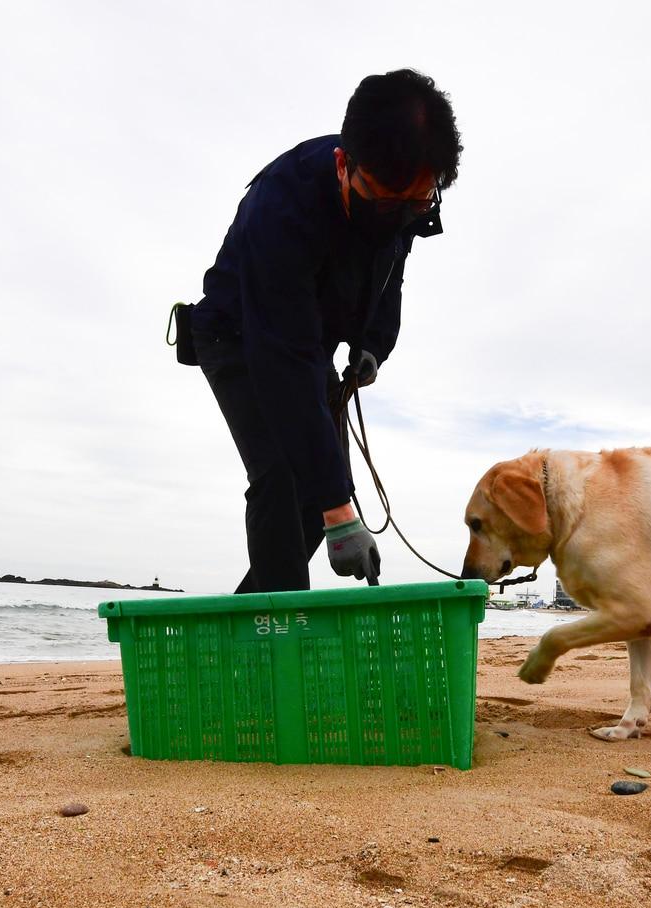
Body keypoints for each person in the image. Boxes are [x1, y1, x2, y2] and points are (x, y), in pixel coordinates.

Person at [186, 70, 461, 594]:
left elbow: (391, 273)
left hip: (309, 343)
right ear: (343, 164)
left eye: (418, 202)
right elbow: (282, 360)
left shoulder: (404, 197)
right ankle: (284, 627)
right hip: (240, 336)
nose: (399, 217)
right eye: (386, 202)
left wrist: (374, 344)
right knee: (284, 476)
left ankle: (252, 620)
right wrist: (339, 512)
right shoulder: (281, 207)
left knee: (324, 491)